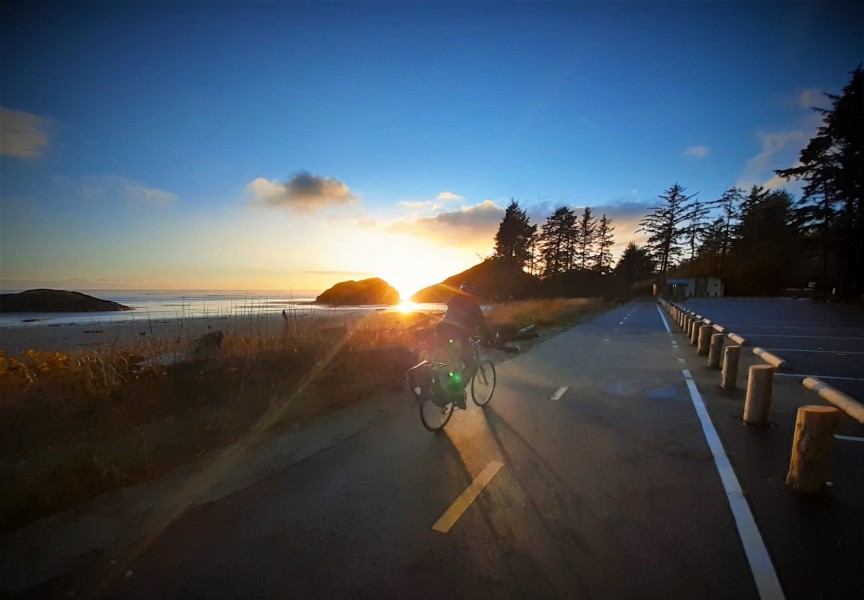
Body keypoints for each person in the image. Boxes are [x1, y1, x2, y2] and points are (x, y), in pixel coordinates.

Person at [436, 282, 493, 408]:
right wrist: (489, 337)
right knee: (471, 365)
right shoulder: (472, 305)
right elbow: (482, 324)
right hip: (458, 338)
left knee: (452, 362)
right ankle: (458, 392)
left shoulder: (453, 302)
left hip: (441, 337)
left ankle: (446, 383)